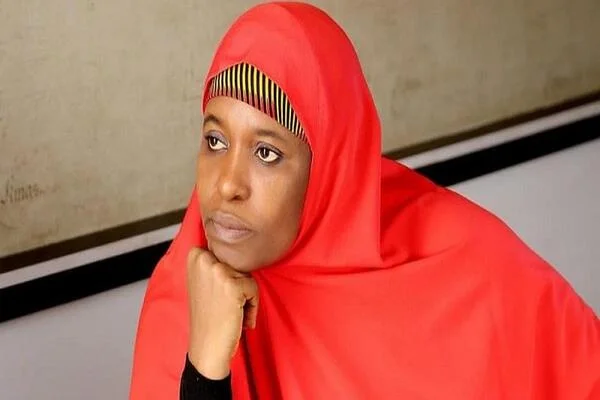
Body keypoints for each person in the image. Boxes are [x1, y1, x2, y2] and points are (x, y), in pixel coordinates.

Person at [129, 2, 600, 399]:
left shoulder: (466, 263)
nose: (227, 185)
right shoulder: (184, 298)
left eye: (267, 153)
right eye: (215, 141)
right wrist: (205, 369)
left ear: (331, 165)